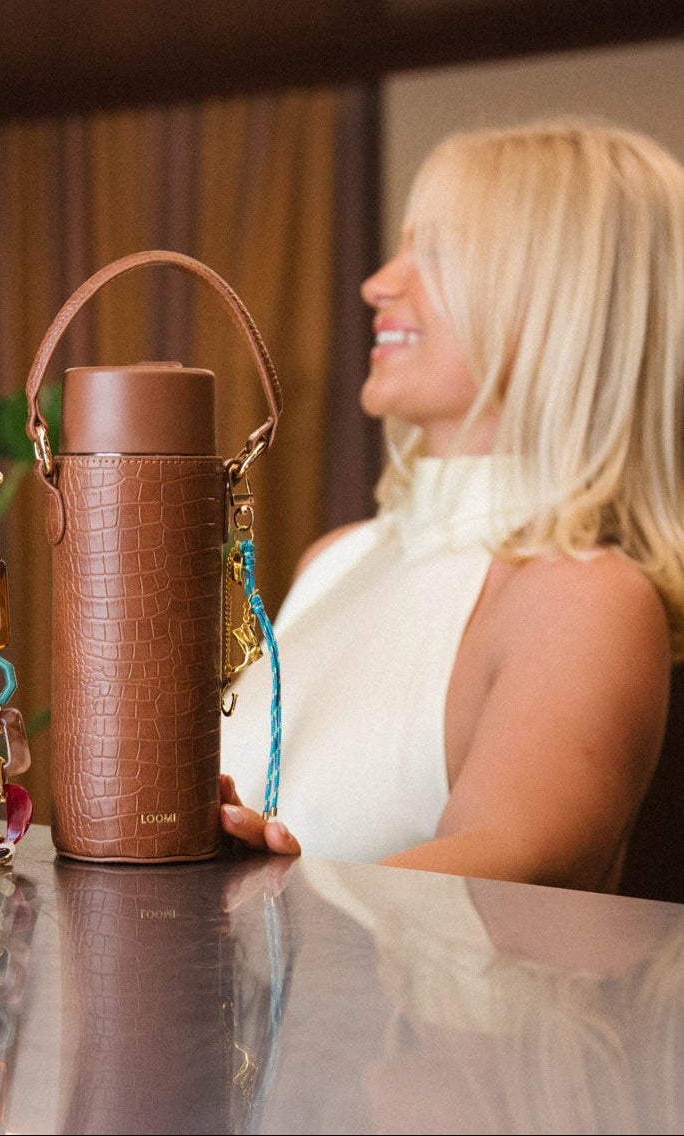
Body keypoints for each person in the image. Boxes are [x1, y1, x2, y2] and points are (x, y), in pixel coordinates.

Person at [220, 119, 684, 890]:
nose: (378, 284)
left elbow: (501, 884)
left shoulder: (582, 597)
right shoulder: (336, 559)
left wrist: (237, 901)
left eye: (436, 254)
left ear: (560, 302)